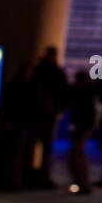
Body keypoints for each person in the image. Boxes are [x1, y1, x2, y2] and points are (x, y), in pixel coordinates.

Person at [30, 47, 69, 189]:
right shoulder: (52, 72)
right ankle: (40, 174)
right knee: (43, 145)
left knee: (40, 144)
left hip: (42, 114)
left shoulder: (43, 71)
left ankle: (37, 174)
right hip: (42, 114)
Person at [66, 71, 97, 195]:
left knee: (77, 154)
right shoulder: (87, 92)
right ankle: (82, 182)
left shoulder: (84, 93)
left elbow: (83, 112)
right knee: (79, 154)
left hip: (82, 127)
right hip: (82, 126)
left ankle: (82, 182)